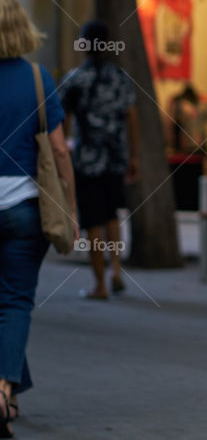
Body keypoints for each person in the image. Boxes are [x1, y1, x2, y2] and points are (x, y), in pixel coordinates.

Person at [0, 0, 76, 438]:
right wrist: (70, 205)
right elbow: (60, 149)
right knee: (14, 300)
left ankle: (7, 387)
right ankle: (6, 390)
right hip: (26, 208)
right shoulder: (36, 78)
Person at [60, 20, 139, 300]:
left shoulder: (75, 80)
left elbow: (64, 121)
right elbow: (131, 117)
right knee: (112, 216)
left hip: (87, 159)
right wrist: (133, 154)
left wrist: (65, 151)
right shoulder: (120, 77)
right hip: (115, 156)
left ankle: (100, 284)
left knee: (92, 220)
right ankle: (116, 269)